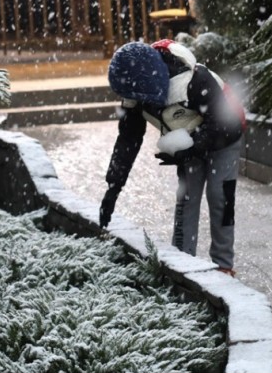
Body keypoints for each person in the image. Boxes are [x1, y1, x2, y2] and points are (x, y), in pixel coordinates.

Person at [99, 39, 246, 276]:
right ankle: (182, 264)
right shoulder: (134, 92)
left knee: (221, 196)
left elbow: (225, 125)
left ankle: (223, 265)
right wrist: (113, 187)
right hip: (189, 139)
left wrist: (192, 148)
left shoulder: (195, 80)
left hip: (226, 135)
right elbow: (128, 141)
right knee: (186, 199)